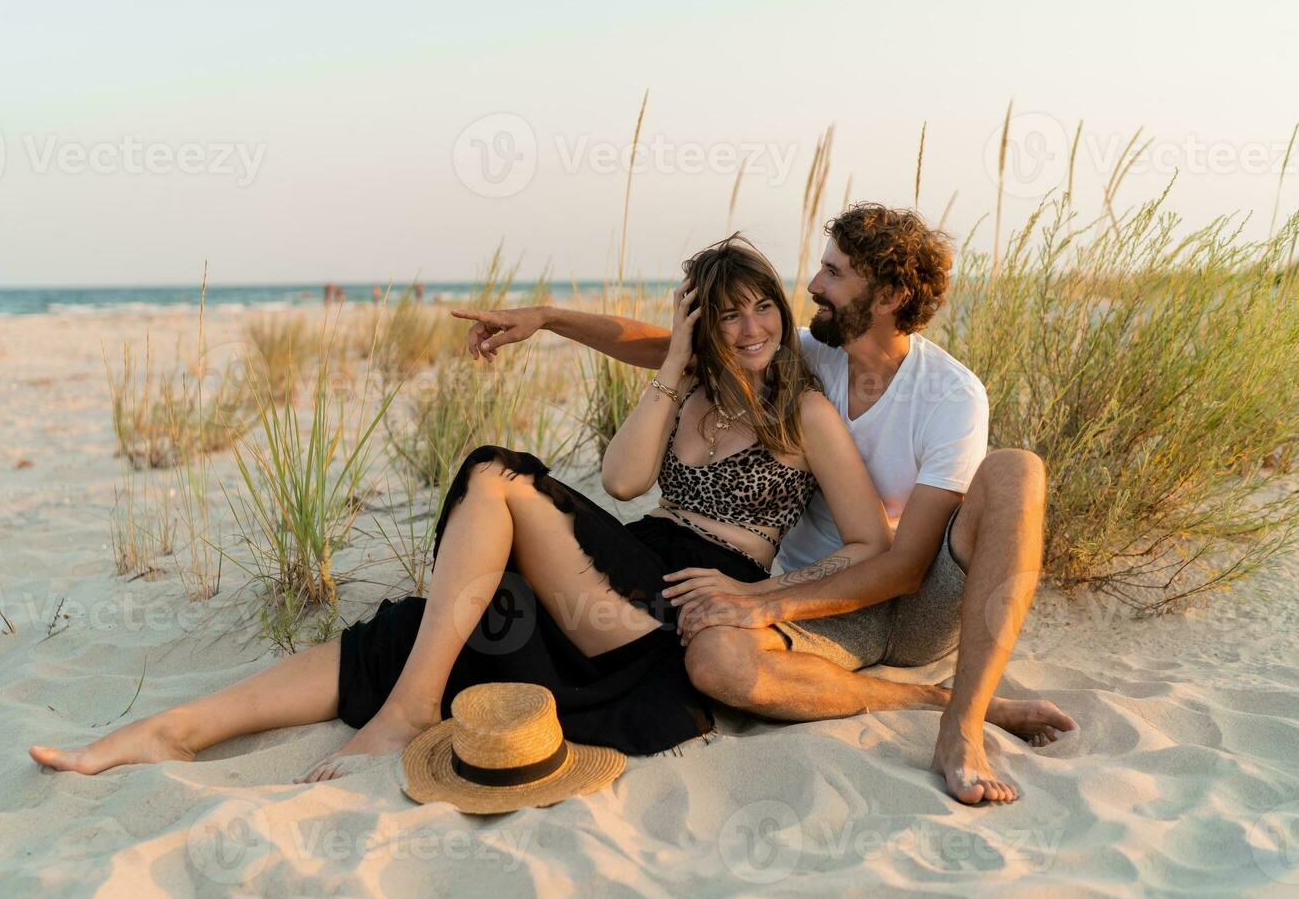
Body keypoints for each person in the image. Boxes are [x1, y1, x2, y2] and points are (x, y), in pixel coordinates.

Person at [29, 237, 891, 781]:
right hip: (622, 570)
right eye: (728, 314)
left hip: (678, 612)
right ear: (700, 326)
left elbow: (868, 545)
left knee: (493, 473)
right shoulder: (689, 382)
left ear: (782, 306)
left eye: (762, 306)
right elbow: (624, 483)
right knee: (418, 628)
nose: (751, 328)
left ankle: (409, 710)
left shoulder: (805, 412)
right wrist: (670, 359)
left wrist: (762, 599)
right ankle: (170, 732)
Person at [452, 204, 1077, 805]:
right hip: (827, 605)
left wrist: (757, 598)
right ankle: (927, 700)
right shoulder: (810, 350)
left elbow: (905, 566)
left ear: (886, 296)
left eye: (833, 272)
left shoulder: (950, 395)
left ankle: (963, 725)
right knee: (715, 662)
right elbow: (666, 345)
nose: (811, 283)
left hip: (916, 602)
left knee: (1017, 469)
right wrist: (549, 318)